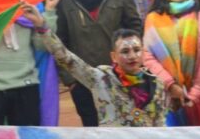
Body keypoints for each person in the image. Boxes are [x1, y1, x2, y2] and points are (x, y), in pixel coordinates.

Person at [55, 0, 143, 127]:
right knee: (92, 131)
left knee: (125, 127)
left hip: (119, 77)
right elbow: (60, 41)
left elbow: (135, 27)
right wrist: (70, 80)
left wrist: (130, 62)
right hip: (83, 81)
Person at [38, 22, 168, 127]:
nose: (132, 56)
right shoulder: (101, 78)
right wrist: (43, 28)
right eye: (125, 51)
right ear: (114, 56)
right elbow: (67, 59)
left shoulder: (157, 84)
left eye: (136, 50)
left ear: (144, 53)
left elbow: (160, 126)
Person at [142, 0, 200, 121]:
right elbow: (147, 57)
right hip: (164, 97)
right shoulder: (153, 19)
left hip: (196, 98)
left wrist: (193, 95)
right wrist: (170, 85)